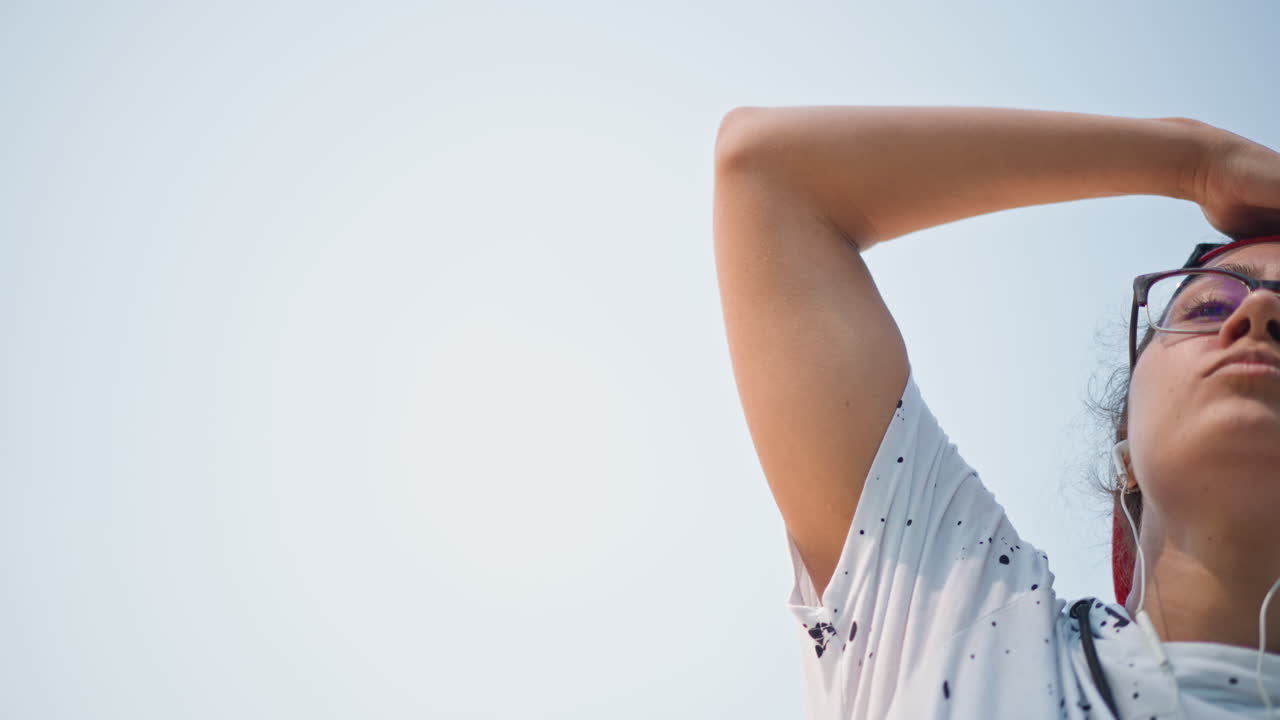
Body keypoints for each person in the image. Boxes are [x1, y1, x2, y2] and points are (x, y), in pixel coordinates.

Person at [712, 106, 1280, 719]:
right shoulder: (962, 630)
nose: (1258, 317)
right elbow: (770, 173)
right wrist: (1196, 162)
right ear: (1127, 451)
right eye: (1206, 307)